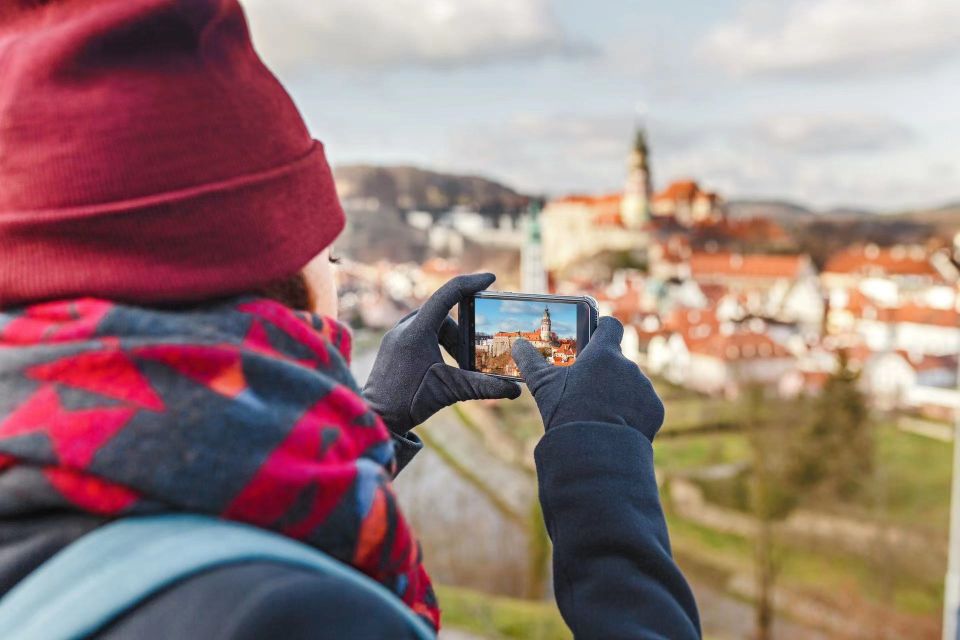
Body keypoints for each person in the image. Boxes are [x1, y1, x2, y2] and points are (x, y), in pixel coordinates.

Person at [0, 0, 700, 638]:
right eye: (326, 249)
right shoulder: (291, 616)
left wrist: (374, 422)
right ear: (280, 273)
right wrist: (605, 473)